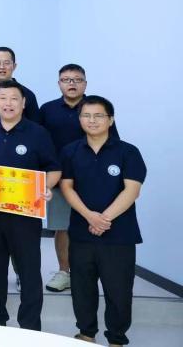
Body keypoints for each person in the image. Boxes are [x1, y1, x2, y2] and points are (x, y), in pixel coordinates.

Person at [0, 80, 60, 331]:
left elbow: (54, 168)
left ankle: (30, 325)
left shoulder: (38, 133)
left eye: (14, 99)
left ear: (23, 103)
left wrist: (45, 187)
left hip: (25, 215)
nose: (8, 103)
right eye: (3, 98)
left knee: (29, 269)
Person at [60, 95, 146, 347]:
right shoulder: (70, 151)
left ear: (111, 120)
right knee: (82, 288)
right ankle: (86, 334)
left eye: (99, 115)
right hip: (81, 233)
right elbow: (66, 187)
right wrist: (89, 216)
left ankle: (116, 338)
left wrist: (103, 219)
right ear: (79, 119)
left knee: (118, 290)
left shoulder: (128, 152)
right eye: (86, 115)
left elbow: (132, 190)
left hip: (119, 235)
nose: (92, 120)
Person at [39, 64, 120, 294]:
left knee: (93, 223)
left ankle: (88, 274)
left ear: (85, 83)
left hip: (93, 178)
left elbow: (113, 143)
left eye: (77, 79)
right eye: (66, 80)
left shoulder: (96, 108)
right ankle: (64, 272)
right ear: (59, 84)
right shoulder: (47, 110)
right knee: (62, 226)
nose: (72, 83)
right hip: (59, 178)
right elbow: (39, 142)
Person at [0, 46, 40, 124]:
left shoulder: (27, 94)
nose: (2, 67)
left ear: (14, 66)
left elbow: (35, 125)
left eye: (7, 63)